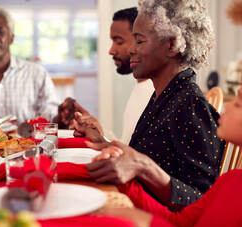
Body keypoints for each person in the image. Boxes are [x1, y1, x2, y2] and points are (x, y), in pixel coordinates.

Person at [100, 33, 242, 227]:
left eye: (238, 103)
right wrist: (125, 181)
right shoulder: (229, 180)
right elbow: (179, 223)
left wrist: (145, 221)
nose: (226, 109)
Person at [75, 0, 225, 211]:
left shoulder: (190, 104)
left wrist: (144, 169)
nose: (130, 50)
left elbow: (201, 200)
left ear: (171, 45)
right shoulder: (164, 95)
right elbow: (141, 157)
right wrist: (103, 141)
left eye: (139, 41)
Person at [55, 7, 154, 144]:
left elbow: (137, 157)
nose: (111, 50)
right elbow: (128, 146)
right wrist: (97, 129)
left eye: (119, 42)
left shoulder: (156, 92)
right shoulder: (141, 87)